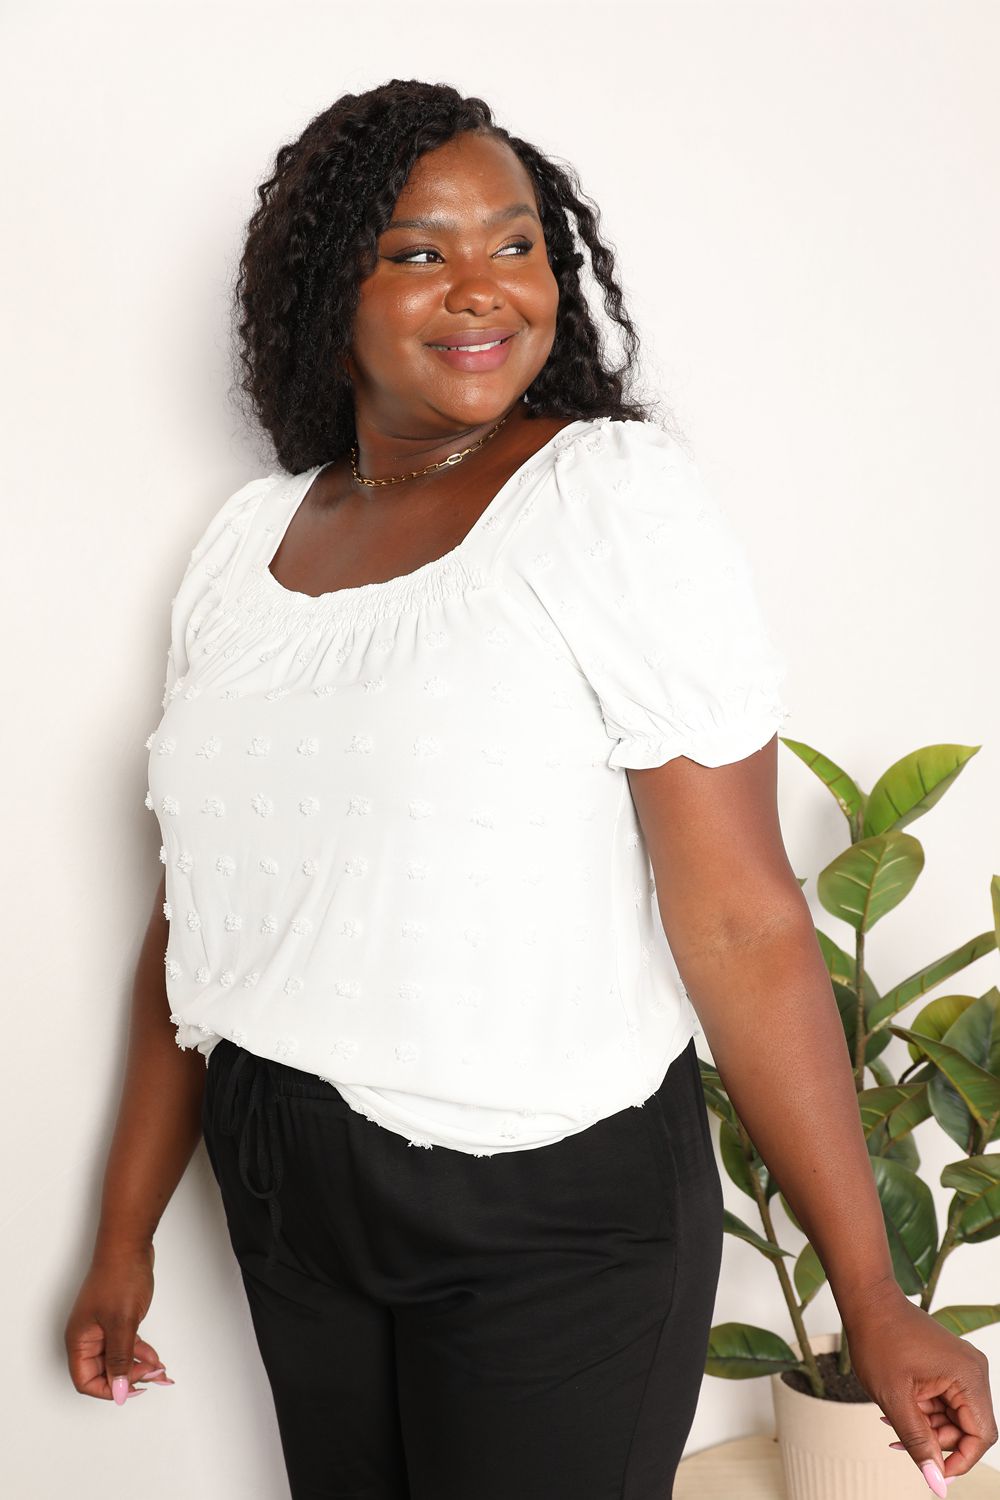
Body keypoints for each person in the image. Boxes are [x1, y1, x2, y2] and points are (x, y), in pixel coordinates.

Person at [64, 78, 995, 1500]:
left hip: (546, 1209)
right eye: (419, 252)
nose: (482, 290)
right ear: (330, 290)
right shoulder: (248, 545)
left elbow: (742, 918)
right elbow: (202, 918)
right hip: (284, 1179)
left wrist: (868, 1292)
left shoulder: (606, 502)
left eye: (516, 245)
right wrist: (125, 1233)